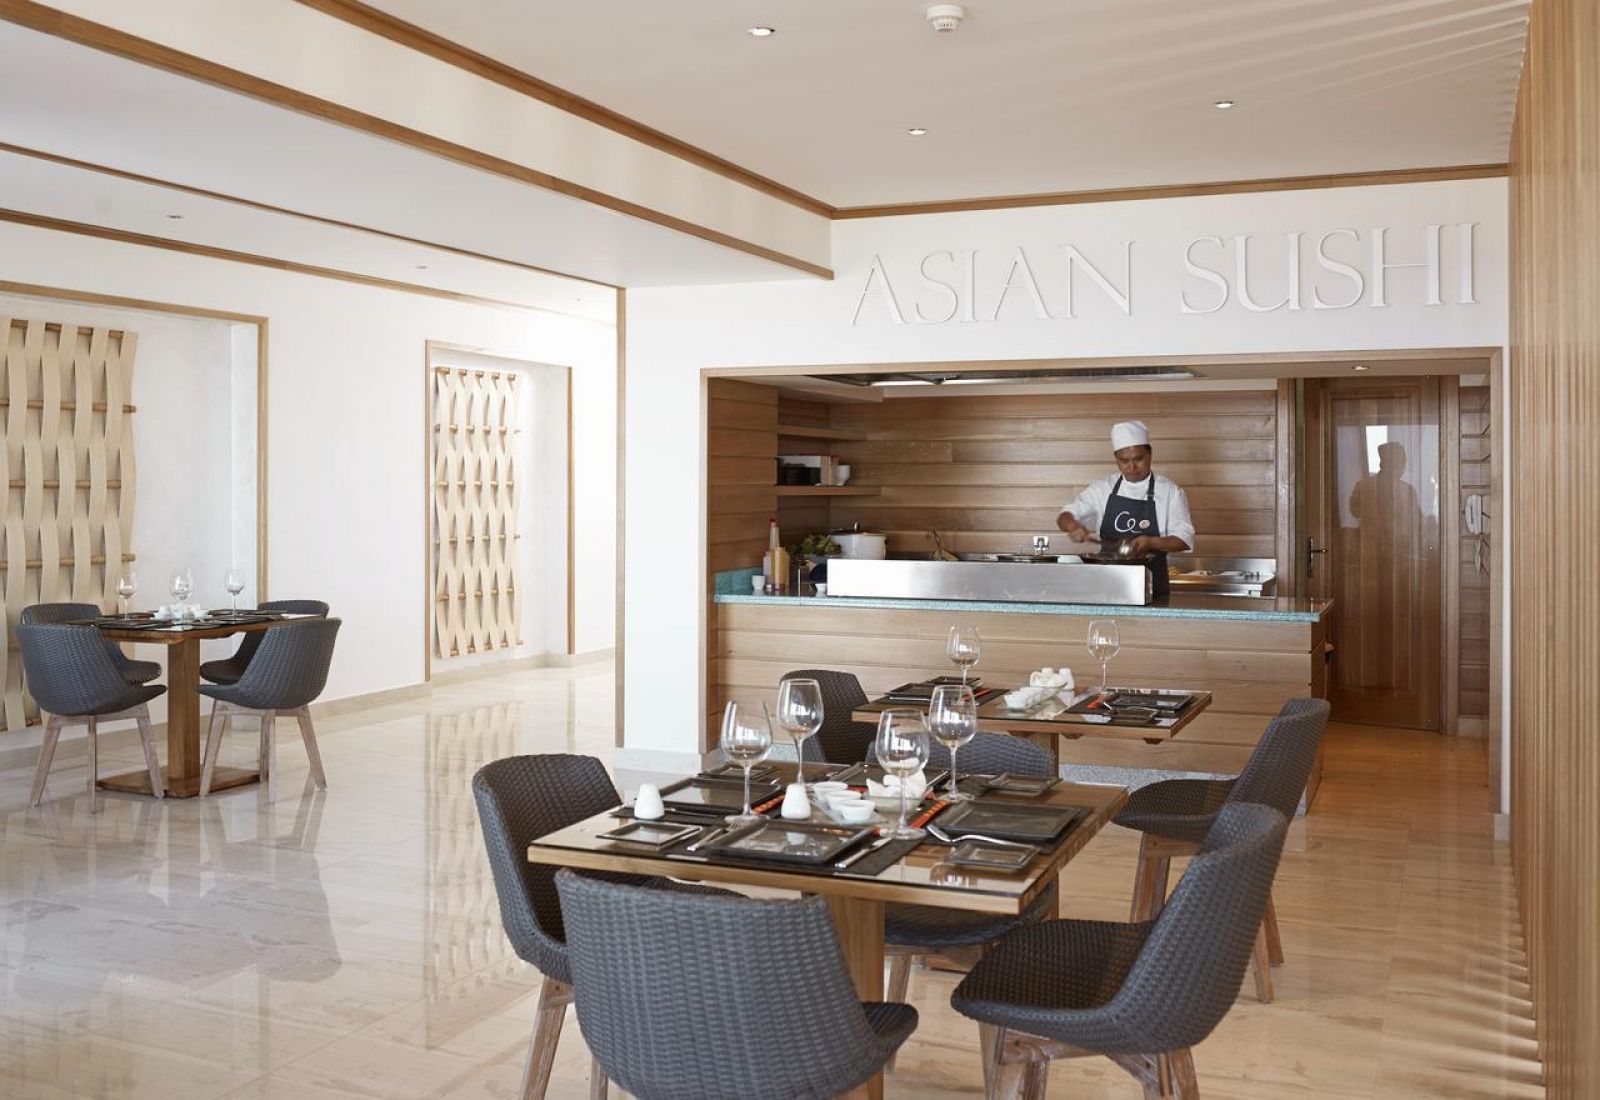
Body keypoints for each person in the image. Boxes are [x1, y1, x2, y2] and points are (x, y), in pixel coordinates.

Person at [1056, 420, 1195, 598]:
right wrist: (1072, 526)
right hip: (1105, 585)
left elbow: (1184, 539)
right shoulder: (1102, 488)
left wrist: (1151, 542)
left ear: (1150, 454)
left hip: (1151, 587)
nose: (1131, 467)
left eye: (1138, 459)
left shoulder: (1170, 492)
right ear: (1116, 458)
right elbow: (1065, 516)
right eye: (1124, 461)